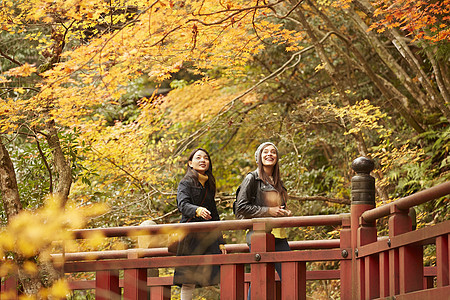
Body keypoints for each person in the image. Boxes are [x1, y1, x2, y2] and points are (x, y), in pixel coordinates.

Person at [235, 142, 292, 300]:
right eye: (265, 152)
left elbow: (277, 208)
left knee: (289, 274)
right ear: (258, 157)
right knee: (260, 276)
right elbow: (241, 208)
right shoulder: (251, 178)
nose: (269, 154)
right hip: (259, 234)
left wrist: (284, 212)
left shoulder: (277, 182)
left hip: (279, 235)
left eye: (273, 152)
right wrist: (269, 211)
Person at [173, 148, 227, 300]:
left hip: (208, 236)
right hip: (190, 235)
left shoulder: (209, 183)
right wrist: (196, 210)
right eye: (198, 158)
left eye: (206, 158)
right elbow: (182, 205)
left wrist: (221, 242)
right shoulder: (185, 182)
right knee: (187, 278)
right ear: (190, 163)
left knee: (219, 273)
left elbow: (215, 215)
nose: (203, 160)